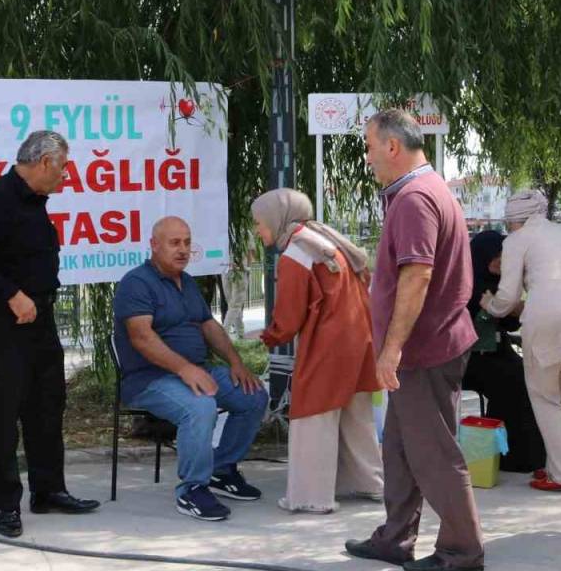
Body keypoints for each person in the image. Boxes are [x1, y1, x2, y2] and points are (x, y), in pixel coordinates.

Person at [344, 109, 484, 571]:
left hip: (424, 352)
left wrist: (392, 348)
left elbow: (418, 274)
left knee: (434, 453)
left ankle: (462, 552)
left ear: (391, 146)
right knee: (400, 449)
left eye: (368, 146)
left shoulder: (414, 198)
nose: (367, 158)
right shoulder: (423, 190)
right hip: (425, 349)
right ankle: (394, 538)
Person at [0, 130, 99, 539]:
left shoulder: (36, 204)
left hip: (41, 321)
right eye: (64, 166)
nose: (67, 175)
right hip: (1, 326)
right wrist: (11, 295)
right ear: (45, 161)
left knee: (47, 406)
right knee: (2, 417)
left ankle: (49, 490)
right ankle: (6, 504)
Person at [113, 216, 269, 522]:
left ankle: (221, 470)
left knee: (253, 395)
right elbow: (142, 337)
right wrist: (185, 369)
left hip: (197, 371)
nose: (182, 249)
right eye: (174, 243)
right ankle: (192, 489)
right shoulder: (136, 283)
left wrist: (236, 363)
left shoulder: (186, 283)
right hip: (150, 380)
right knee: (199, 406)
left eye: (186, 242)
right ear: (154, 246)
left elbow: (209, 326)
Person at [250, 188, 383, 514]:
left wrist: (270, 335)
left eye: (259, 222)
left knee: (313, 417)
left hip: (328, 344)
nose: (257, 230)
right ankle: (370, 483)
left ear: (277, 219)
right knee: (357, 417)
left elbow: (290, 315)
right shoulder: (327, 241)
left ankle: (312, 496)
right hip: (359, 339)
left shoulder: (297, 252)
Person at [480, 189, 561, 491]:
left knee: (546, 398)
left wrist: (488, 304)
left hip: (548, 322)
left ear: (513, 219)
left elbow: (507, 297)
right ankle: (560, 468)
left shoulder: (517, 240)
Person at [462, 230, 548, 474]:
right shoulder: (466, 285)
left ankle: (531, 456)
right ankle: (510, 456)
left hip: (498, 351)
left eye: (504, 255)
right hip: (472, 358)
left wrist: (507, 307)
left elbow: (511, 322)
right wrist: (506, 307)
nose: (502, 261)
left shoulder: (502, 285)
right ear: (482, 256)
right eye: (496, 255)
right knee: (514, 382)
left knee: (531, 377)